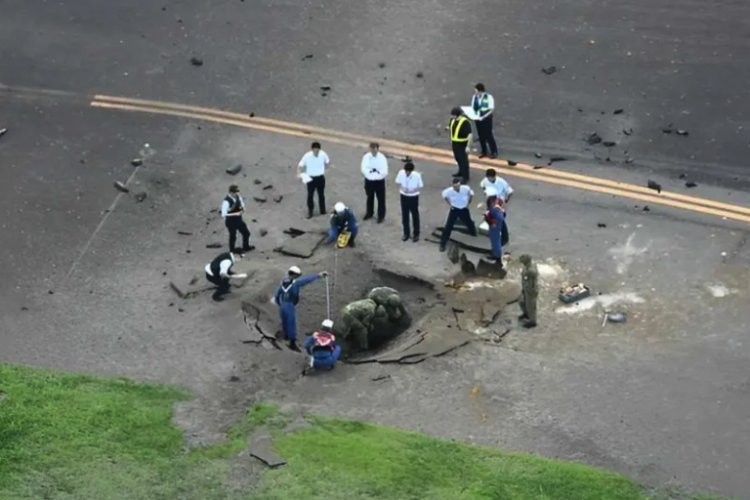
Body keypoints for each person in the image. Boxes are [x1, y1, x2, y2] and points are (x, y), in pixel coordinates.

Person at [274, 266, 328, 350]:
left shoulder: (283, 283)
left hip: (283, 305)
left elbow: (277, 295)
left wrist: (279, 304)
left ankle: (286, 337)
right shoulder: (295, 283)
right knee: (291, 323)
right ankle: (292, 343)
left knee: (284, 322)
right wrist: (318, 275)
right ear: (295, 275)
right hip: (289, 305)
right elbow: (306, 280)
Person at [439, 177, 477, 252]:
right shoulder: (449, 191)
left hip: (464, 209)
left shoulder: (466, 188)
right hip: (454, 209)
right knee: (448, 226)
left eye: (458, 186)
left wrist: (469, 202)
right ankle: (442, 244)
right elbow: (444, 196)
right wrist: (450, 204)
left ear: (460, 185)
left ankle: (473, 233)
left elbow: (471, 194)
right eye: (455, 187)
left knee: (468, 222)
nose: (456, 188)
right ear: (453, 186)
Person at [298, 141, 330, 218]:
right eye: (315, 150)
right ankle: (310, 211)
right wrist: (301, 175)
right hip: (311, 178)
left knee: (321, 195)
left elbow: (327, 162)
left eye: (318, 150)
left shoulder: (323, 154)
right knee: (310, 195)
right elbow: (300, 165)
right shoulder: (307, 156)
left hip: (320, 177)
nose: (316, 152)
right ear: (312, 149)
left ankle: (323, 210)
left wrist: (324, 170)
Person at [394, 161, 423, 242]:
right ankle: (406, 233)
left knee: (415, 215)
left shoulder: (417, 175)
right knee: (405, 214)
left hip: (413, 196)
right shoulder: (401, 173)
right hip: (404, 196)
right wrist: (403, 188)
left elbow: (420, 186)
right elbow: (397, 181)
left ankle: (416, 234)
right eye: (406, 171)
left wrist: (412, 190)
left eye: (409, 171)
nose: (407, 173)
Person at [221, 185, 254, 254]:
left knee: (246, 233)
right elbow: (223, 214)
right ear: (231, 192)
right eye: (235, 192)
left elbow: (242, 204)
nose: (237, 193)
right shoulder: (226, 201)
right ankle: (232, 250)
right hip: (230, 221)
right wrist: (234, 214)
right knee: (233, 235)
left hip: (238, 219)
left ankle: (246, 247)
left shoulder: (238, 196)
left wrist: (243, 209)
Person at [361, 142, 388, 222]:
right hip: (369, 181)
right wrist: (371, 173)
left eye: (374, 149)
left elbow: (384, 171)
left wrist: (375, 174)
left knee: (381, 199)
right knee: (369, 197)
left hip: (379, 181)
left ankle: (381, 216)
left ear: (377, 149)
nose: (373, 151)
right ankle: (369, 213)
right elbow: (364, 168)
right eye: (371, 149)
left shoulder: (382, 158)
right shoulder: (366, 157)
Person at [472, 83, 499, 159]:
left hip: (486, 119)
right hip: (478, 118)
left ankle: (494, 151)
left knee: (489, 135)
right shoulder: (475, 97)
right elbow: (473, 107)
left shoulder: (489, 97)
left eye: (476, 90)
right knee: (481, 136)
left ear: (480, 90)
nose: (475, 92)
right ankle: (484, 151)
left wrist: (483, 116)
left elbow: (491, 109)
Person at [449, 107, 472, 183]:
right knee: (457, 158)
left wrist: (468, 146)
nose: (451, 116)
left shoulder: (465, 122)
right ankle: (460, 172)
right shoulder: (452, 120)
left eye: (453, 115)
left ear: (457, 115)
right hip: (455, 143)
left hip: (462, 144)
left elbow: (470, 135)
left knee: (463, 161)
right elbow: (451, 126)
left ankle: (466, 177)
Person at [484, 187, 506, 264]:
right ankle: (495, 254)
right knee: (494, 240)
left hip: (494, 226)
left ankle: (497, 257)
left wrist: (494, 223)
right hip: (494, 224)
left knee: (495, 241)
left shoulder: (494, 206)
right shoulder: (496, 202)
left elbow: (500, 217)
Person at [518, 255, 538, 328]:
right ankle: (526, 313)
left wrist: (526, 272)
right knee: (521, 301)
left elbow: (533, 274)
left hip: (531, 290)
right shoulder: (527, 267)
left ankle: (532, 321)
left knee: (531, 305)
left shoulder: (531, 270)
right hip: (525, 287)